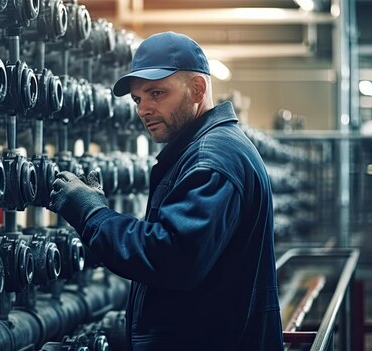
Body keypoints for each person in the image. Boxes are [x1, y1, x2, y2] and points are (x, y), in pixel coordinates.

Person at [48, 32, 284, 351]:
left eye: (156, 92)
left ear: (197, 88)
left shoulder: (211, 160)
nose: (144, 109)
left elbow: (173, 257)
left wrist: (93, 215)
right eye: (137, 99)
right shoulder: (206, 150)